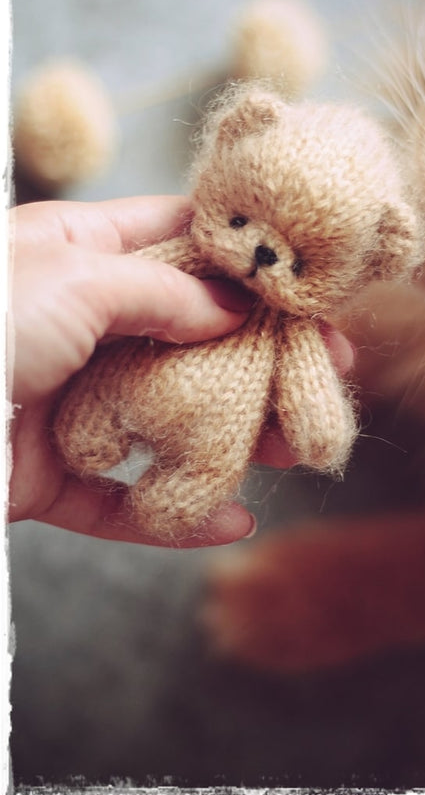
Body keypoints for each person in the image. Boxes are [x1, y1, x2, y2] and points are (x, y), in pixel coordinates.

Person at [7, 195, 354, 548]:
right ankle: (97, 420)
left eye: (298, 265)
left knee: (205, 469)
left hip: (216, 426)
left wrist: (315, 419)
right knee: (96, 418)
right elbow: (129, 278)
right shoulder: (192, 258)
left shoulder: (293, 326)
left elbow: (308, 379)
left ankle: (184, 485)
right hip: (135, 372)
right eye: (240, 223)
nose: (262, 253)